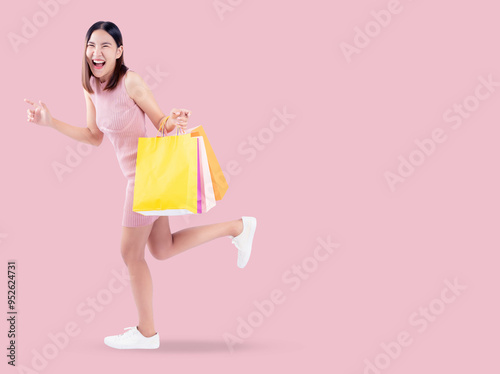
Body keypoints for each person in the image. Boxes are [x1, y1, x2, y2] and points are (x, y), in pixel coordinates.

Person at [24, 21, 257, 350]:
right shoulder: (90, 86)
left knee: (130, 253)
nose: (97, 52)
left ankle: (147, 333)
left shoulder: (131, 82)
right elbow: (93, 137)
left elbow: (161, 122)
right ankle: (238, 227)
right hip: (143, 180)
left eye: (106, 46)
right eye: (92, 45)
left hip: (145, 177)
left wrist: (174, 120)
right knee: (162, 249)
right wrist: (51, 123)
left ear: (119, 52)